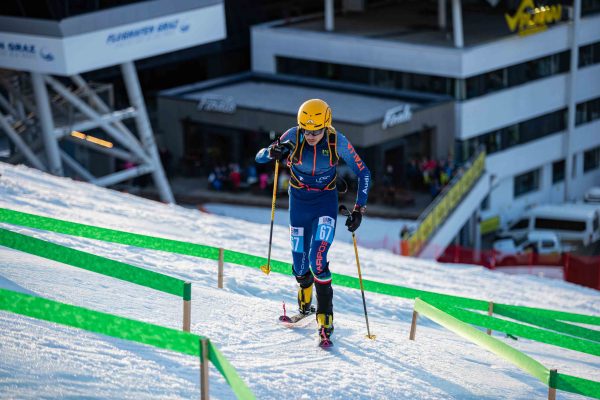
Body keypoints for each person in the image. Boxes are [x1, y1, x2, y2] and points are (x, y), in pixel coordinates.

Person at [255, 98, 371, 342]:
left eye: (316, 131)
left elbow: (364, 172)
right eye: (306, 130)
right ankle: (305, 302)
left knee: (317, 259)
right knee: (299, 266)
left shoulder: (335, 140)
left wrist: (359, 209)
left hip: (325, 203)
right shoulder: (293, 136)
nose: (310, 135)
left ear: (326, 125)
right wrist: (272, 152)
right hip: (299, 203)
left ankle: (325, 318)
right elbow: (260, 156)